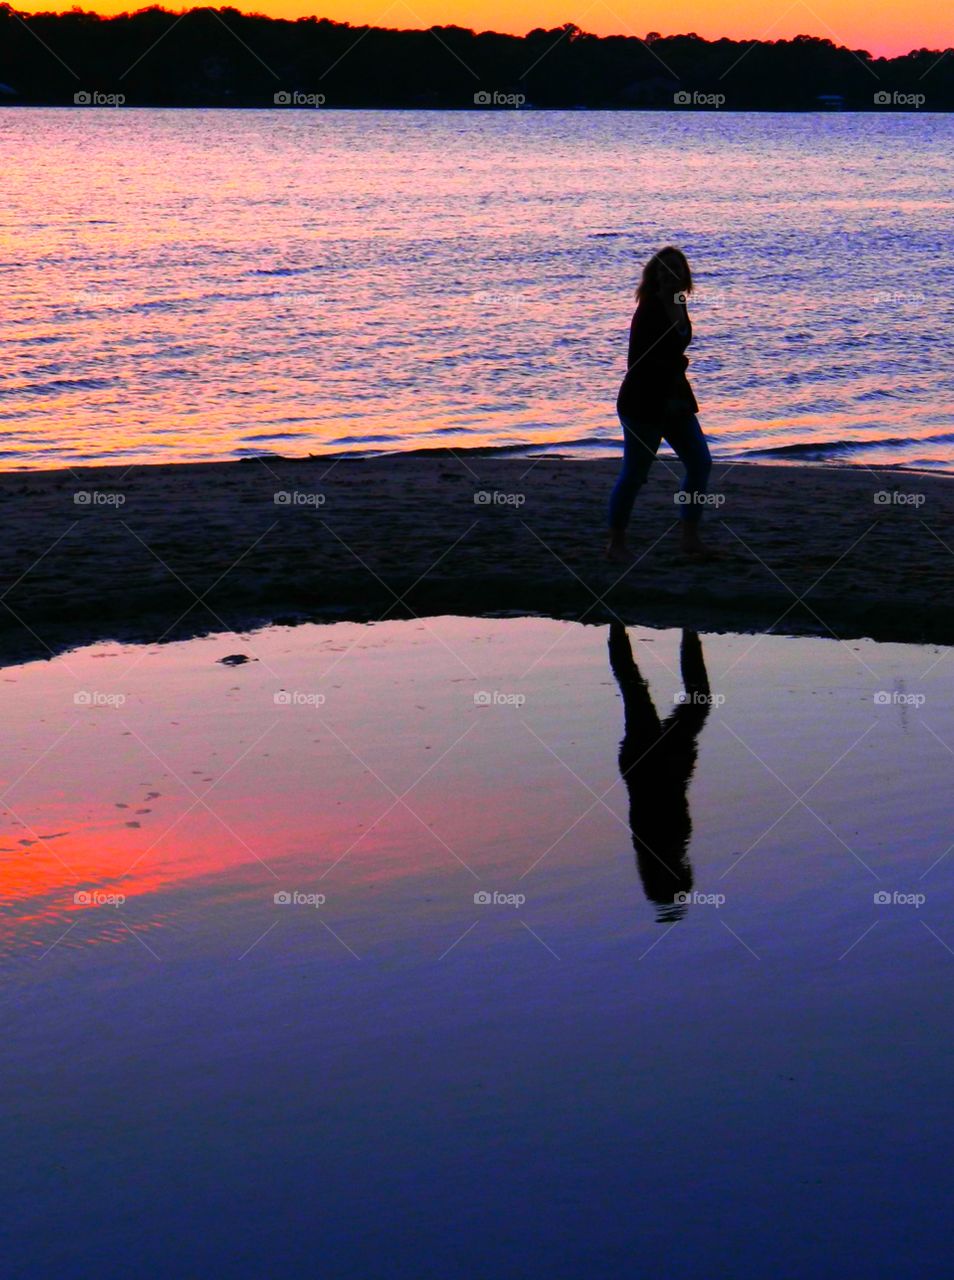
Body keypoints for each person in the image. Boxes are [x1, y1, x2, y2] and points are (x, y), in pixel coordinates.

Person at [607, 245, 713, 562]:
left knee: (699, 462)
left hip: (676, 399)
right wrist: (673, 368)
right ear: (654, 276)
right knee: (635, 473)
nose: (671, 275)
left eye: (676, 269)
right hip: (643, 401)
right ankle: (616, 543)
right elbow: (640, 361)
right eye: (664, 269)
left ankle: (690, 537)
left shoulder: (680, 302)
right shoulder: (649, 309)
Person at [608, 623, 713, 922]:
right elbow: (676, 792)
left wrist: (683, 757)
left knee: (637, 689)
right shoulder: (667, 847)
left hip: (650, 760)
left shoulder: (656, 843)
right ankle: (687, 630)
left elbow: (665, 792)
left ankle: (619, 626)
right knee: (643, 690)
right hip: (657, 759)